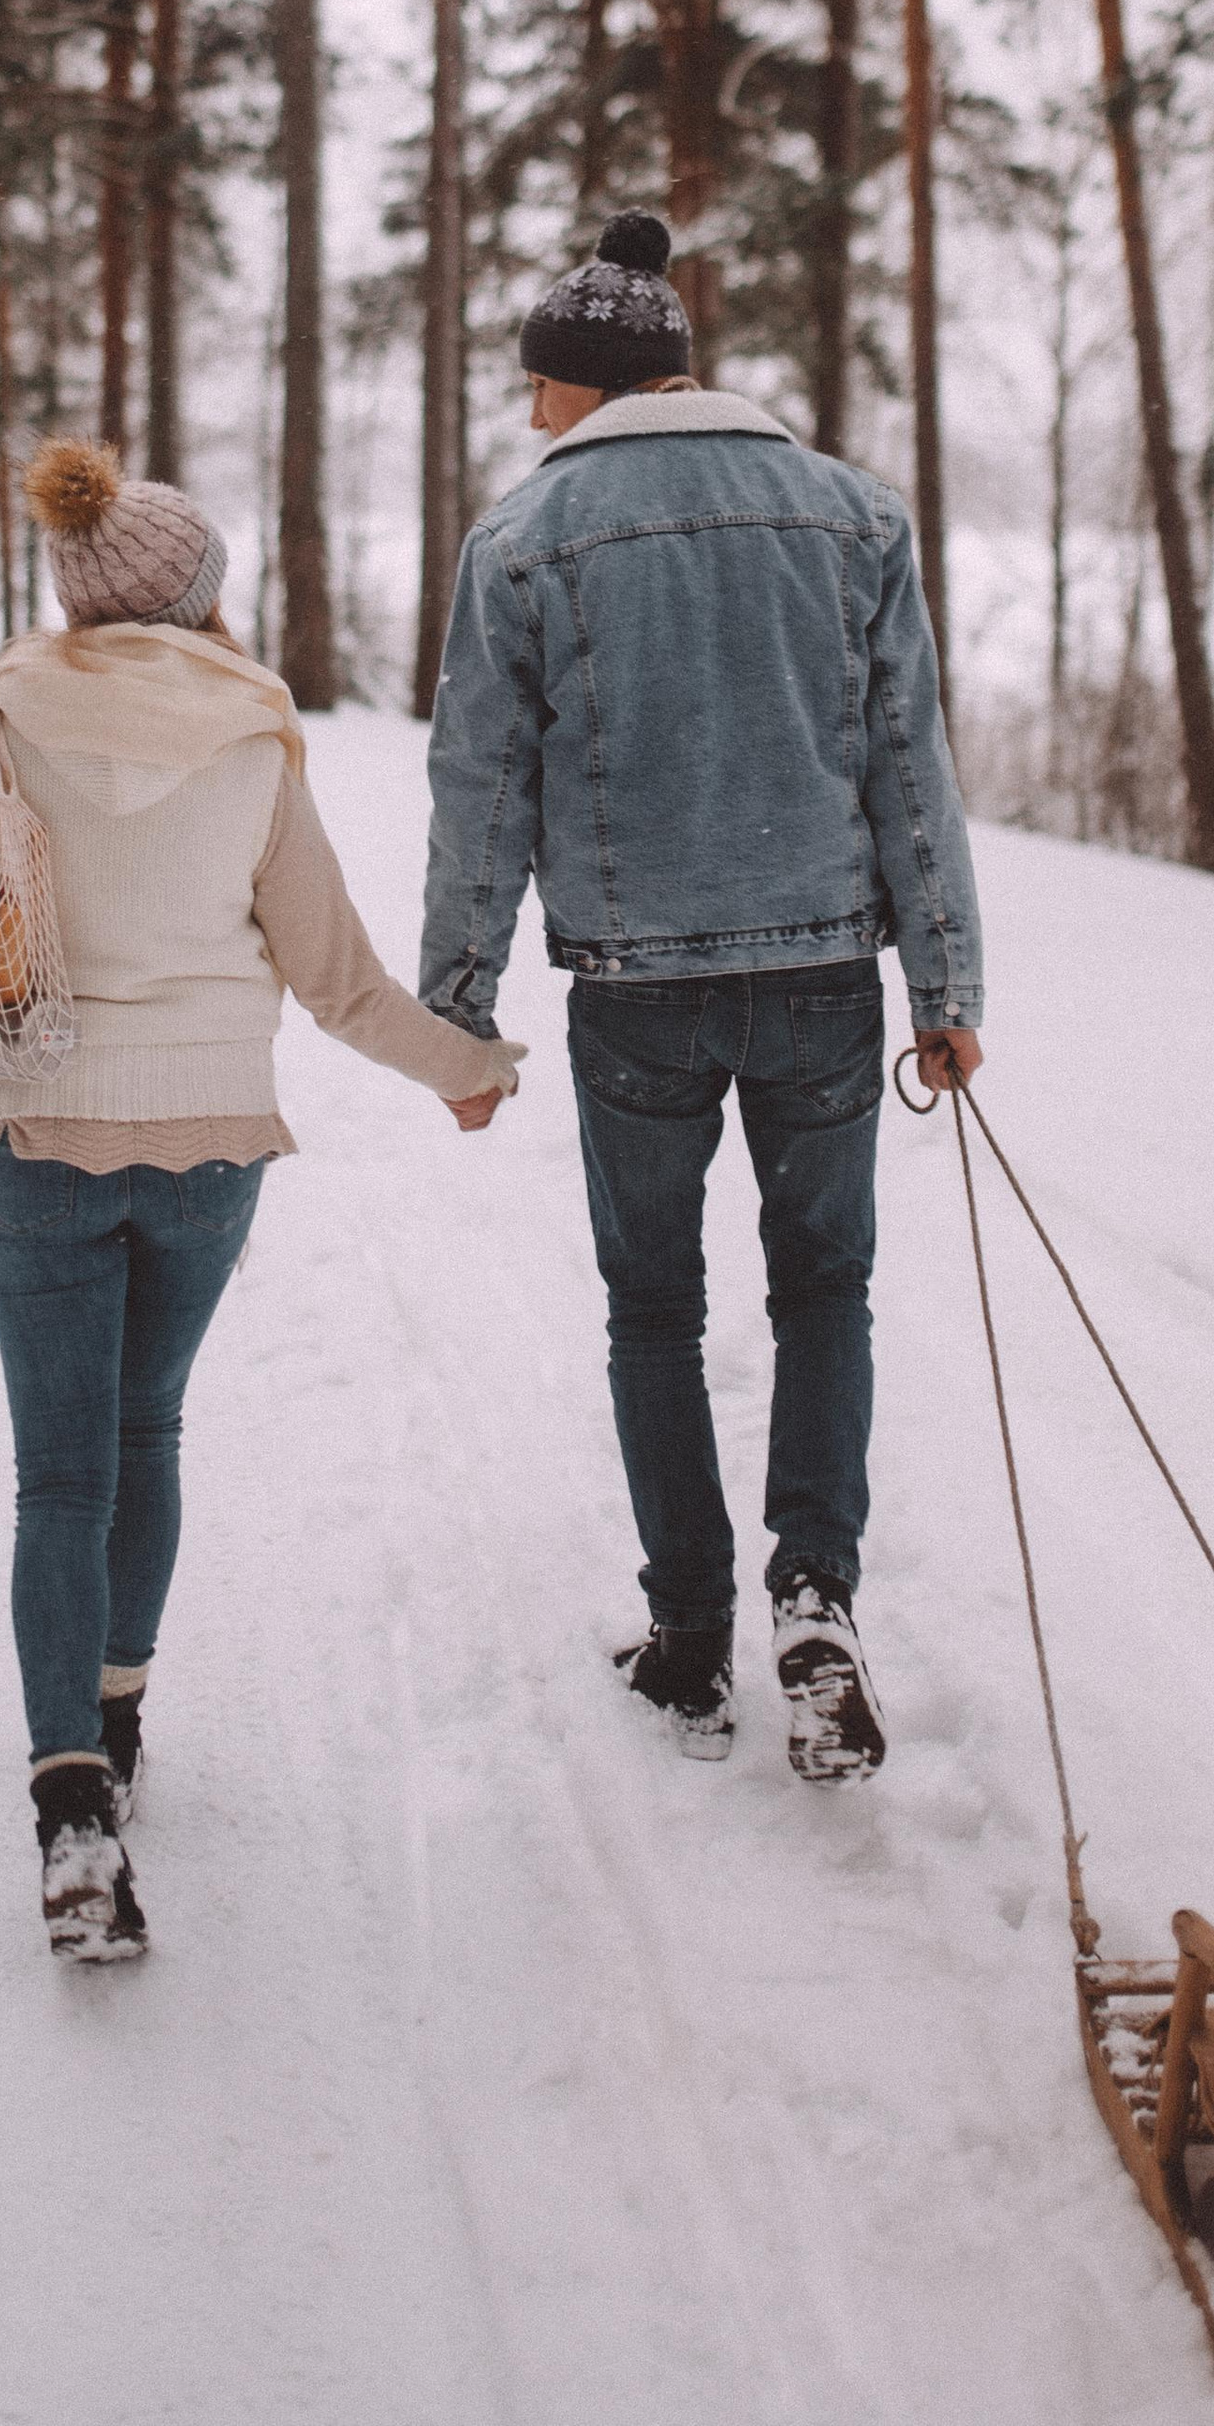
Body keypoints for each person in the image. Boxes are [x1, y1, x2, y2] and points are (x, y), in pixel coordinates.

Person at [418, 212, 983, 1779]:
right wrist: (944, 979)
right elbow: (906, 769)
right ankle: (818, 1598)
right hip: (819, 978)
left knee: (655, 1308)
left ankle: (690, 1639)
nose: (530, 412)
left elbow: (482, 789)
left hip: (640, 995)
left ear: (587, 388)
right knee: (824, 1291)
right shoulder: (853, 518)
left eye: (540, 384)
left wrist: (452, 1011)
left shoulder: (524, 541)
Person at [0, 437, 520, 1962]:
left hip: (37, 1134)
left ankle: (69, 1794)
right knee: (145, 1430)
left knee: (57, 1477)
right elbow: (333, 979)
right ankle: (119, 1720)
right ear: (200, 597)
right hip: (206, 1143)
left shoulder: (7, 712)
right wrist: (460, 1067)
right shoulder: (256, 741)